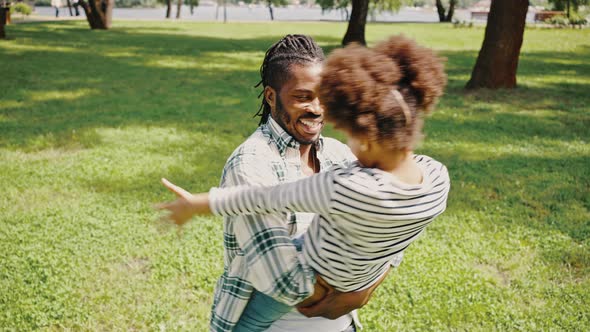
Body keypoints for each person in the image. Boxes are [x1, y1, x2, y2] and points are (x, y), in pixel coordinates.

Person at [159, 35, 448, 331]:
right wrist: (346, 293)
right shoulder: (250, 163)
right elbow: (282, 279)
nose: (317, 108)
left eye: (322, 96)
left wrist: (362, 293)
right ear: (271, 96)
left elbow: (386, 223)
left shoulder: (339, 154)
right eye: (302, 97)